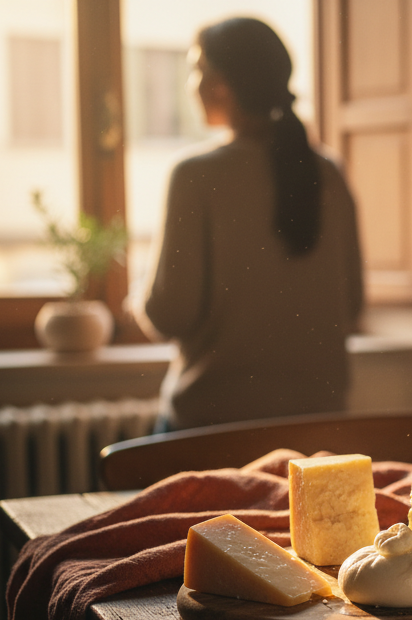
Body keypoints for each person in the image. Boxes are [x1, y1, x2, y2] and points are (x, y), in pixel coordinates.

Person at [136, 17, 363, 432]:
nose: (191, 84)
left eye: (197, 69)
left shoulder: (195, 176)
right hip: (319, 427)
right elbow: (352, 304)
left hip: (211, 427)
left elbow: (169, 314)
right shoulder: (328, 173)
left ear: (221, 84)